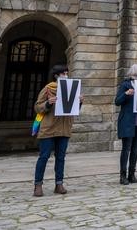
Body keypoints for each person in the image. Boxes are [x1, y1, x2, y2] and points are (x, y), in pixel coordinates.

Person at [33, 64, 81, 197]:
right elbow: (37, 107)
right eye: (63, 73)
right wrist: (48, 103)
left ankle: (59, 184)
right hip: (49, 128)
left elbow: (74, 110)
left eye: (67, 73)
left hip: (64, 128)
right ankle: (38, 185)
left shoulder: (72, 89)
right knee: (44, 157)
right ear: (56, 75)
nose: (66, 75)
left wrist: (79, 102)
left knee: (61, 158)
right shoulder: (48, 88)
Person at [115, 63, 137, 185]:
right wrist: (126, 94)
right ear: (136, 72)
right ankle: (122, 175)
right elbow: (117, 101)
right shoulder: (126, 84)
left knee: (135, 149)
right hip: (129, 121)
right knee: (126, 149)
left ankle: (132, 174)